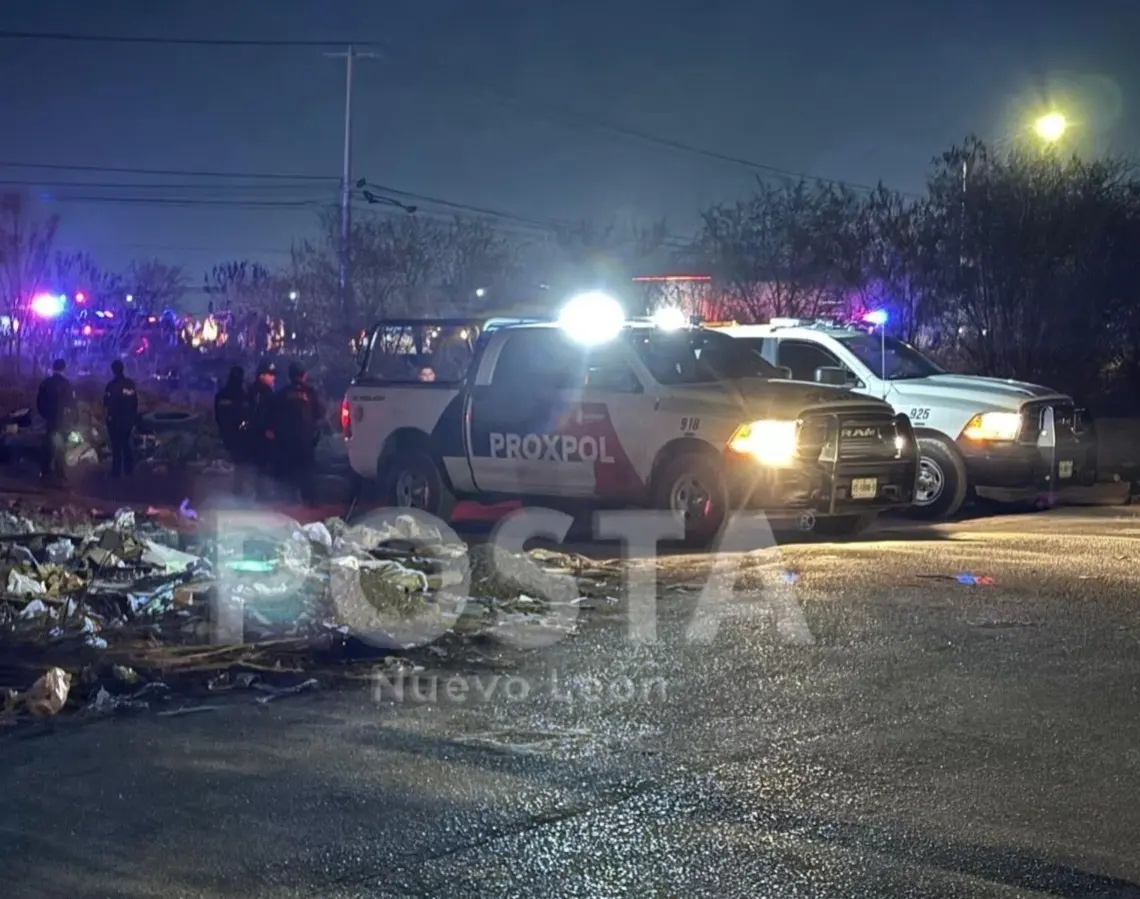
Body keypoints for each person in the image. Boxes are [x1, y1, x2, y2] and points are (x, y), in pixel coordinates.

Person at [273, 362, 326, 507]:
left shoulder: (282, 393)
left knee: (290, 469)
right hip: (306, 439)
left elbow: (274, 415)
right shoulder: (310, 392)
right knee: (308, 470)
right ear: (304, 375)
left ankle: (291, 499)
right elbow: (320, 412)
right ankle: (311, 500)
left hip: (287, 439)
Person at [35, 359, 78, 484]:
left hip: (50, 420)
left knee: (48, 445)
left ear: (53, 368)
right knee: (60, 447)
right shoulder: (67, 384)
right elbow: (72, 403)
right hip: (63, 421)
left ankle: (45, 472)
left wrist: (46, 415)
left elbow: (40, 402)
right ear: (64, 369)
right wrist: (72, 419)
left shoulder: (46, 383)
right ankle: (60, 474)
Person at [214, 366, 248, 494]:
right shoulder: (242, 396)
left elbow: (218, 414)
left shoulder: (222, 395)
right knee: (239, 462)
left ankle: (236, 488)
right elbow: (245, 413)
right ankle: (237, 488)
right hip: (238, 434)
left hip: (226, 432)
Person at [102, 360, 139, 478]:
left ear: (113, 370)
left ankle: (116, 472)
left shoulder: (111, 385)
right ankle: (129, 470)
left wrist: (109, 418)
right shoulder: (130, 384)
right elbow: (135, 402)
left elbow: (107, 403)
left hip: (116, 420)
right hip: (128, 419)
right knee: (126, 443)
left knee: (117, 446)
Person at [246, 361, 276, 499]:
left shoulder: (254, 390)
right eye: (270, 375)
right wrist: (267, 428)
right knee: (261, 465)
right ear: (262, 376)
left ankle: (259, 493)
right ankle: (261, 495)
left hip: (255, 433)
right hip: (260, 434)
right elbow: (261, 413)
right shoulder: (262, 392)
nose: (273, 378)